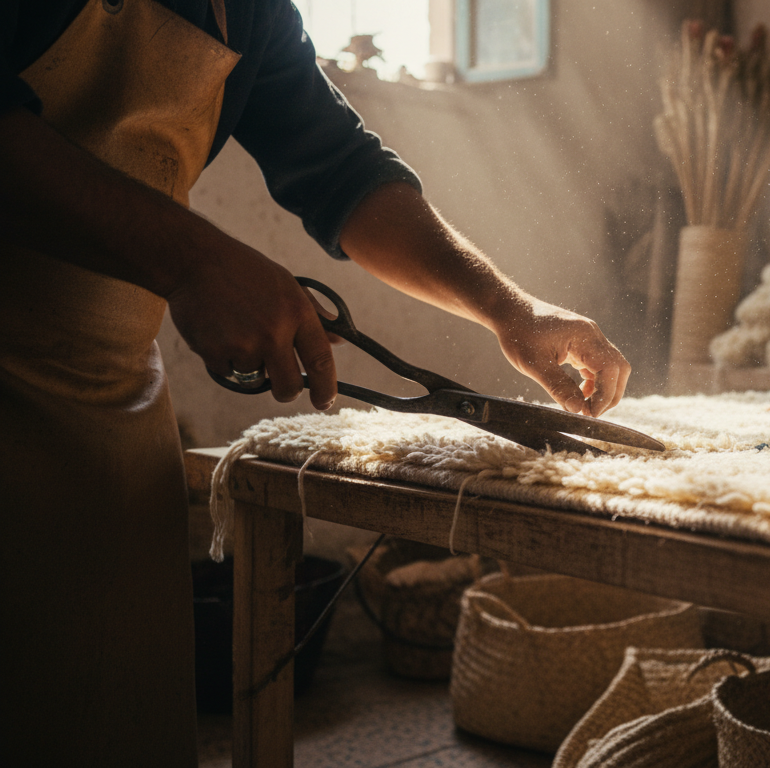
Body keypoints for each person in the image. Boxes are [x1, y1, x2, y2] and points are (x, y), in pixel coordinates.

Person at [0, 0, 630, 764]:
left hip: (110, 411)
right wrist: (194, 260)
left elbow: (343, 172)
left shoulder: (254, 14)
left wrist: (509, 309)